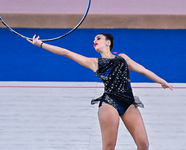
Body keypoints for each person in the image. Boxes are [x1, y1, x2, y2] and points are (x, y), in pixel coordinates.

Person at [27, 33, 173, 150]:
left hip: (128, 101)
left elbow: (144, 70)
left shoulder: (123, 58)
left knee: (144, 144)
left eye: (98, 38)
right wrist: (40, 44)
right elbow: (66, 52)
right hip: (109, 102)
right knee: (109, 147)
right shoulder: (93, 62)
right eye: (93, 40)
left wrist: (161, 81)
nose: (94, 41)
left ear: (108, 42)